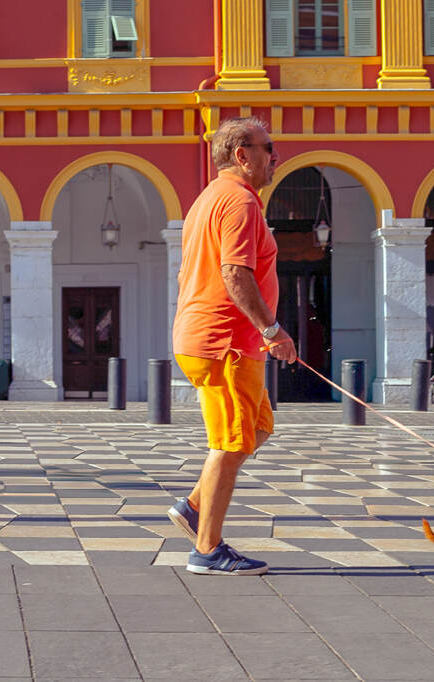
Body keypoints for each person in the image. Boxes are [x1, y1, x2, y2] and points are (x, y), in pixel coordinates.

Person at [168, 116, 297, 575]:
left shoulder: (209, 199)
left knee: (258, 428)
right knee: (228, 442)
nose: (274, 156)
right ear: (243, 155)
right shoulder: (239, 202)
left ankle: (193, 507)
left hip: (217, 339)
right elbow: (234, 274)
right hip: (226, 343)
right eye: (267, 148)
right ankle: (206, 549)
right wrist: (272, 329)